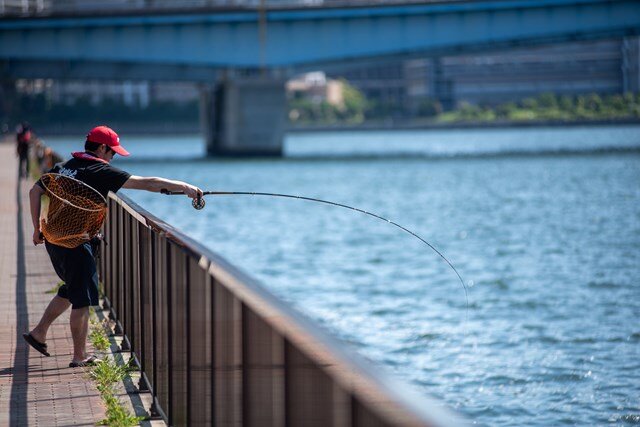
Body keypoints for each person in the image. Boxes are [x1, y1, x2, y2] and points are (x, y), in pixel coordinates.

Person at [23, 125, 203, 367]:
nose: (112, 157)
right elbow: (146, 183)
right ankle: (79, 356)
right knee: (82, 300)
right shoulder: (99, 170)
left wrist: (37, 228)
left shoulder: (66, 166)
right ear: (101, 148)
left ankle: (39, 333)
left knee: (73, 288)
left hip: (54, 239)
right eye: (112, 152)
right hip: (77, 242)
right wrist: (183, 187)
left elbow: (35, 191)